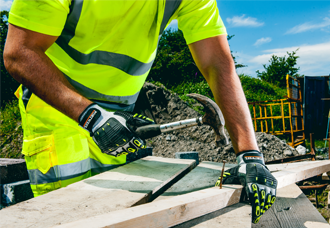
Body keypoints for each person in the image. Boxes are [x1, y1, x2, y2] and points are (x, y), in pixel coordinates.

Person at [4, 0, 276, 223]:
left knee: (118, 214)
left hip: (118, 115)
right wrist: (91, 115)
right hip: (56, 112)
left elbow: (218, 63)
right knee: (72, 216)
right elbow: (19, 52)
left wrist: (250, 154)